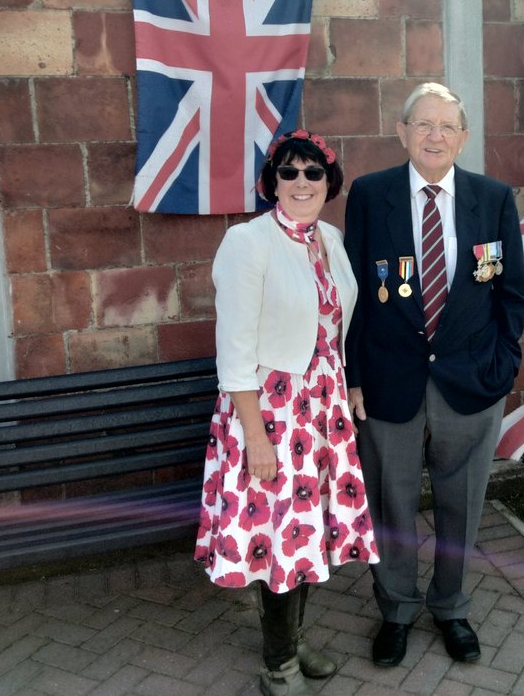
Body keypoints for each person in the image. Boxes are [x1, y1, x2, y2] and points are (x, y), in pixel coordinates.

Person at [343, 82, 524, 667]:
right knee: (391, 501)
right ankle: (396, 608)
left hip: (470, 382)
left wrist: (501, 367)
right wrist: (353, 375)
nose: (435, 136)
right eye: (423, 125)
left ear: (463, 138)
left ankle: (451, 607)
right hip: (388, 379)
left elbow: (511, 293)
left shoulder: (492, 198)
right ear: (402, 133)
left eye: (447, 126)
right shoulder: (371, 196)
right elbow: (350, 295)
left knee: (462, 501)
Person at [194, 130, 378, 696]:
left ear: (330, 183)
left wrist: (346, 381)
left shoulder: (330, 236)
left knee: (313, 533)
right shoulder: (247, 243)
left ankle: (292, 639)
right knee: (282, 540)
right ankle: (279, 664)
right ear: (272, 181)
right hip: (271, 413)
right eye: (289, 172)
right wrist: (255, 435)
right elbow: (235, 351)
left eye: (313, 173)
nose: (301, 182)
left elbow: (336, 323)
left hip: (323, 409)